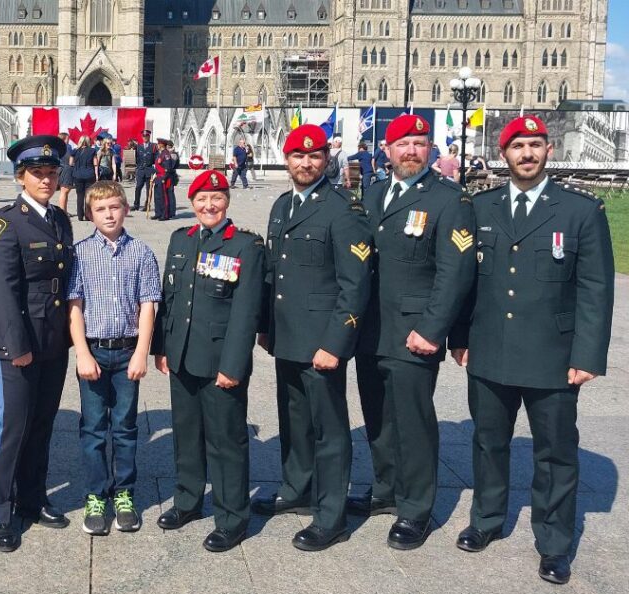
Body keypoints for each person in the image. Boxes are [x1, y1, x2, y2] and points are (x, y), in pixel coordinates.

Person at [449, 116, 615, 585]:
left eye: (536, 145)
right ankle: (486, 519)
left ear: (550, 150)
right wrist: (459, 337)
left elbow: (595, 290)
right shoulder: (479, 208)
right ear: (504, 155)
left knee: (556, 453)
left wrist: (588, 355)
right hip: (490, 349)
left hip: (553, 356)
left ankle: (555, 543)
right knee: (488, 442)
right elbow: (465, 281)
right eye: (518, 145)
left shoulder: (580, 212)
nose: (527, 153)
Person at [350, 114, 476, 550]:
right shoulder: (375, 192)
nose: (411, 151)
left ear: (430, 150)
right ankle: (386, 490)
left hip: (413, 332)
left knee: (413, 421)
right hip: (370, 328)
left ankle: (416, 509)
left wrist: (433, 328)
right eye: (402, 144)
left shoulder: (448, 199)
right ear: (386, 150)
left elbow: (455, 272)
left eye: (419, 143)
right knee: (378, 415)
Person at [252, 125, 372, 551]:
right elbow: (273, 273)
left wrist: (335, 343)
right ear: (287, 160)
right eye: (298, 156)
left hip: (322, 340)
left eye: (315, 156)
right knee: (295, 419)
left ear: (326, 160)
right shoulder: (283, 206)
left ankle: (331, 515)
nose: (306, 163)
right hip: (287, 336)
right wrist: (266, 326)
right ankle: (297, 488)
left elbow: (355, 285)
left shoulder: (343, 209)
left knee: (329, 428)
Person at [151, 170, 265, 553]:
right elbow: (169, 302)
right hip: (182, 356)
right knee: (187, 435)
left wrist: (233, 365)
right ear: (193, 202)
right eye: (201, 199)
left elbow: (246, 313)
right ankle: (187, 500)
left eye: (216, 198)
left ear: (227, 202)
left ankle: (232, 518)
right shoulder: (180, 240)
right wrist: (162, 348)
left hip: (220, 361)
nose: (208, 206)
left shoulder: (245, 246)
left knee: (226, 442)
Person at [0, 134, 74, 552]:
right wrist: (18, 346)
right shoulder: (6, 222)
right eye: (37, 173)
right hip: (14, 341)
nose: (46, 179)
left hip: (51, 339)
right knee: (12, 428)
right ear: (20, 177)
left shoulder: (59, 218)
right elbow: (2, 291)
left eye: (51, 172)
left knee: (41, 425)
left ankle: (33, 497)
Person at [68, 180, 161, 536]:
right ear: (90, 214)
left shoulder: (141, 252)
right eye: (100, 209)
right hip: (93, 350)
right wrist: (82, 353)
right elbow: (74, 306)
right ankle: (95, 494)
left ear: (125, 208)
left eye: (114, 207)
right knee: (93, 429)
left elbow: (148, 304)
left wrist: (141, 352)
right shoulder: (79, 253)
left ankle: (124, 493)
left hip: (126, 353)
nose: (108, 214)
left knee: (124, 428)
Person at [71, 135, 97, 221]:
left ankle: (80, 216)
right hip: (89, 174)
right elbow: (95, 164)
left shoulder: (74, 151)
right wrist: (96, 175)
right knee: (88, 196)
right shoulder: (93, 151)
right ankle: (87, 215)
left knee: (80, 196)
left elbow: (71, 163)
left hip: (78, 175)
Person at [133, 129, 158, 211]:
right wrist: (138, 167)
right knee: (138, 187)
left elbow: (156, 159)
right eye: (143, 136)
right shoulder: (138, 147)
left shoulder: (153, 146)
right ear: (142, 137)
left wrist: (155, 170)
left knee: (149, 189)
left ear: (149, 136)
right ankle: (136, 205)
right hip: (140, 170)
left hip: (149, 170)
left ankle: (147, 205)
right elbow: (136, 158)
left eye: (146, 136)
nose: (145, 137)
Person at [153, 138, 177, 221]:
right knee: (157, 197)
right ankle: (158, 213)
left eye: (158, 144)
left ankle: (165, 215)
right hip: (158, 177)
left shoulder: (166, 154)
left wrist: (164, 178)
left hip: (163, 178)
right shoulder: (160, 154)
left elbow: (168, 168)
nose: (157, 145)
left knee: (164, 197)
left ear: (161, 145)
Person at [57, 132, 75, 215]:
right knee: (64, 191)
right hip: (66, 168)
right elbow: (70, 159)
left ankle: (64, 210)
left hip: (59, 168)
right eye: (68, 138)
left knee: (64, 191)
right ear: (64, 139)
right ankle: (62, 212)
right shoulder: (67, 147)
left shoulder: (55, 147)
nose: (69, 140)